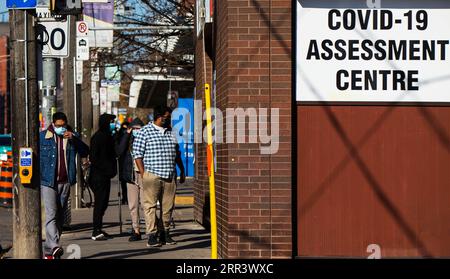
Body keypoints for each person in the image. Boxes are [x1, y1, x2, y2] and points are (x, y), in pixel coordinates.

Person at [133, 105, 184, 247]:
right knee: (150, 206)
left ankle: (165, 233)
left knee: (168, 206)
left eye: (168, 118)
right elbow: (137, 155)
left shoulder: (171, 133)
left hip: (170, 175)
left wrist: (182, 170)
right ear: (157, 116)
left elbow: (177, 154)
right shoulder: (144, 132)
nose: (166, 120)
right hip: (152, 175)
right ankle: (151, 234)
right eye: (164, 117)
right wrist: (144, 174)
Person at [40, 112, 89, 259]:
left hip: (65, 181)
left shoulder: (71, 137)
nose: (61, 128)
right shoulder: (43, 137)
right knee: (51, 213)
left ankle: (50, 250)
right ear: (53, 124)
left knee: (60, 217)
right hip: (48, 182)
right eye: (58, 126)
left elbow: (85, 151)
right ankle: (55, 245)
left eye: (63, 125)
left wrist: (74, 139)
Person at [115, 117, 145, 241]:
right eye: (134, 128)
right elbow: (119, 151)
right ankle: (136, 229)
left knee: (146, 203)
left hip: (143, 174)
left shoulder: (146, 139)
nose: (137, 130)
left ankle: (151, 229)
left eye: (139, 128)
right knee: (133, 205)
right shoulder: (127, 140)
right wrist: (127, 135)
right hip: (130, 175)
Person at [89, 113, 118, 241]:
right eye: (111, 121)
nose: (113, 124)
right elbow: (94, 158)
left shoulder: (108, 136)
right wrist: (107, 169)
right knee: (100, 203)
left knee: (104, 203)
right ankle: (96, 230)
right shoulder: (98, 137)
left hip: (104, 175)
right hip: (98, 176)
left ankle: (99, 228)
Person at [117, 121, 130, 205]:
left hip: (128, 161)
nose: (124, 131)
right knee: (123, 182)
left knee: (128, 182)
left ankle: (127, 197)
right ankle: (125, 197)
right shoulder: (119, 137)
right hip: (122, 161)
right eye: (123, 129)